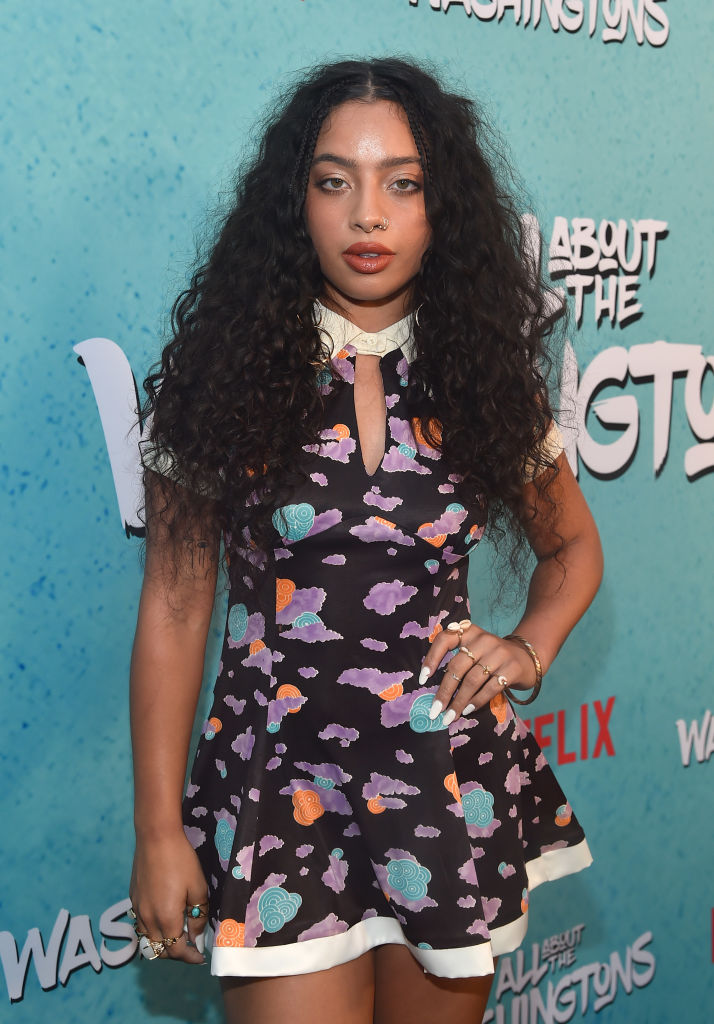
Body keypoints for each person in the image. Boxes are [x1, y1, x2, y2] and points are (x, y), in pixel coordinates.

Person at [128, 56, 603, 1024]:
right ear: (293, 201)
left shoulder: (483, 380)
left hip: (444, 783)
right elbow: (175, 610)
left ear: (444, 207)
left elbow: (572, 550)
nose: (367, 216)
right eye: (334, 181)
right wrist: (157, 829)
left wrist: (526, 649)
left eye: (404, 183)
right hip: (277, 787)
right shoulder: (225, 376)